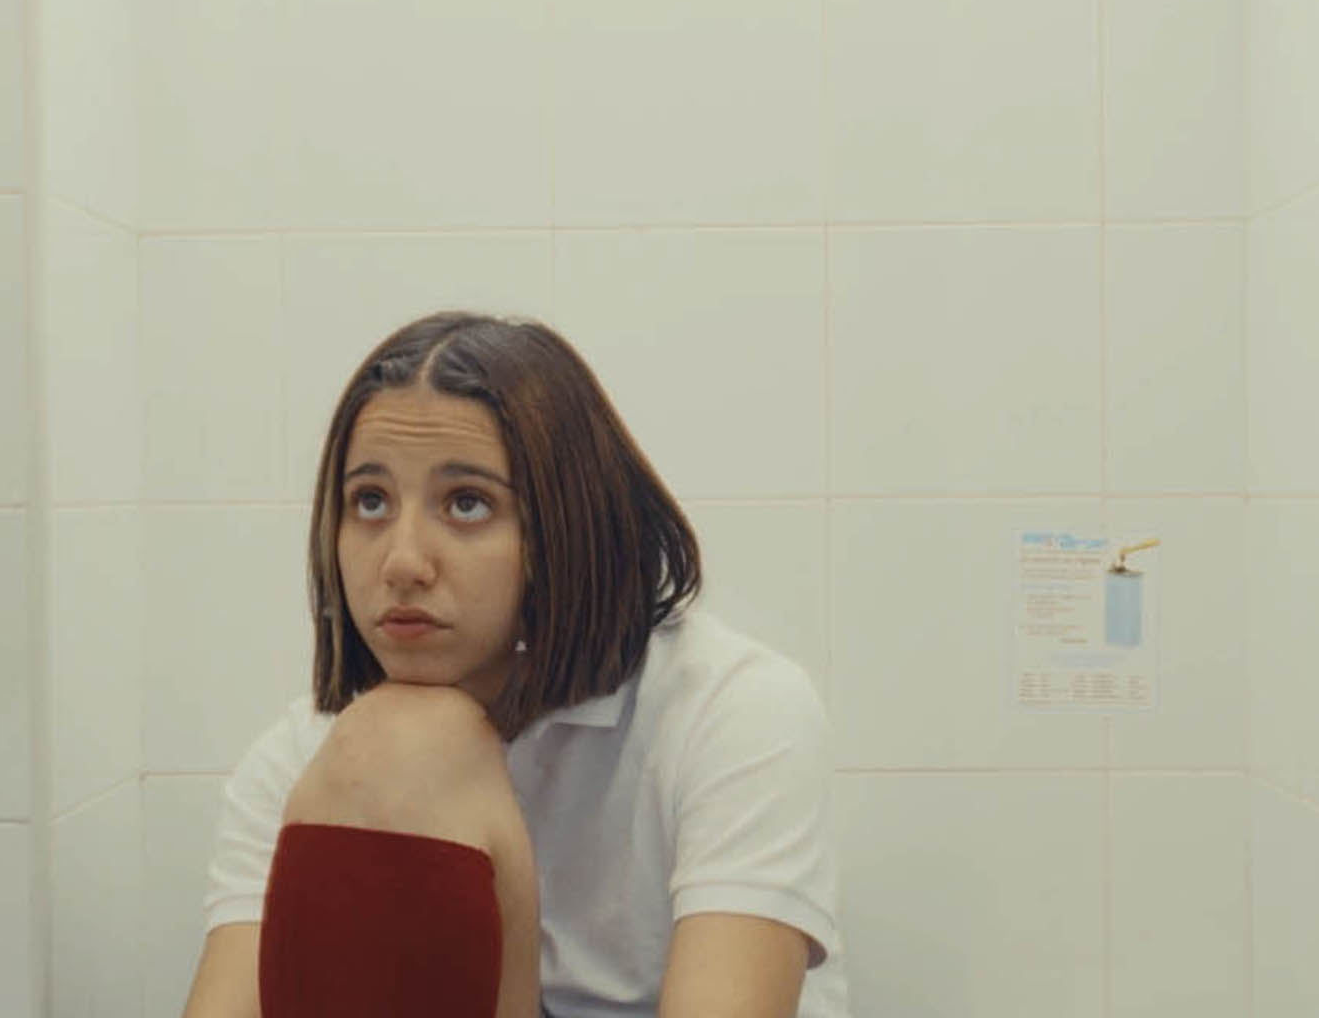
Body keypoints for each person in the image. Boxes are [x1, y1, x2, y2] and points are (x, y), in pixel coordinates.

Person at [180, 312, 847, 1018]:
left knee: (410, 741)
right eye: (369, 501)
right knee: (394, 740)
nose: (402, 562)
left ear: (568, 527)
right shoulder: (312, 764)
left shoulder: (731, 711)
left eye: (467, 504)